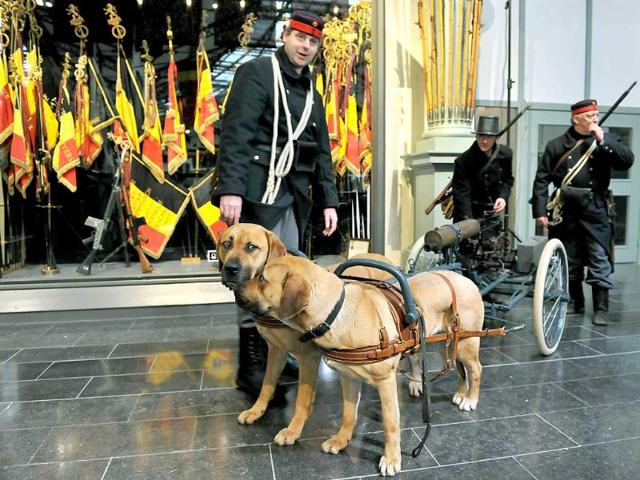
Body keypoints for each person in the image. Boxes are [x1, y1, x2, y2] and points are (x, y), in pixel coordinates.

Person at [211, 11, 339, 396]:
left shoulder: (311, 91)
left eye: (313, 42)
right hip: (256, 191)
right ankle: (250, 367)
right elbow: (236, 133)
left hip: (292, 197)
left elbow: (322, 152)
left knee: (281, 278)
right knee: (248, 277)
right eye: (300, 37)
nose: (305, 46)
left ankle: (275, 357)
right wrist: (231, 189)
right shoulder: (257, 73)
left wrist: (329, 201)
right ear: (285, 36)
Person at [531, 99, 634, 326]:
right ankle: (575, 302)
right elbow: (541, 179)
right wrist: (539, 210)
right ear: (575, 119)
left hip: (595, 210)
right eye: (589, 116)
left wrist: (602, 139)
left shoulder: (606, 140)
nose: (595, 119)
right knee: (570, 259)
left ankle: (601, 308)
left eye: (597, 115)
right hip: (565, 210)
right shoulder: (557, 145)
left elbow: (627, 161)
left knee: (599, 258)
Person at [452, 115, 514, 223]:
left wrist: (502, 197)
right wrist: (469, 223)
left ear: (496, 137)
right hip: (468, 214)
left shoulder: (506, 154)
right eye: (481, 136)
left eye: (489, 137)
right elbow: (462, 195)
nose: (484, 141)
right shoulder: (464, 160)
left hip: (492, 215)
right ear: (476, 136)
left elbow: (507, 181)